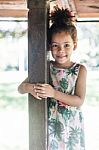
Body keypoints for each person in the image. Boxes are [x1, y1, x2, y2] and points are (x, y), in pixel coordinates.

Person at [18, 6, 87, 150]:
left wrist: (53, 93)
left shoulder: (80, 70)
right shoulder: (46, 66)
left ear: (75, 45)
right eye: (55, 45)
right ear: (49, 46)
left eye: (66, 45)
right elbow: (21, 88)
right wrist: (31, 88)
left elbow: (79, 100)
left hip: (70, 125)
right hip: (49, 124)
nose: (61, 51)